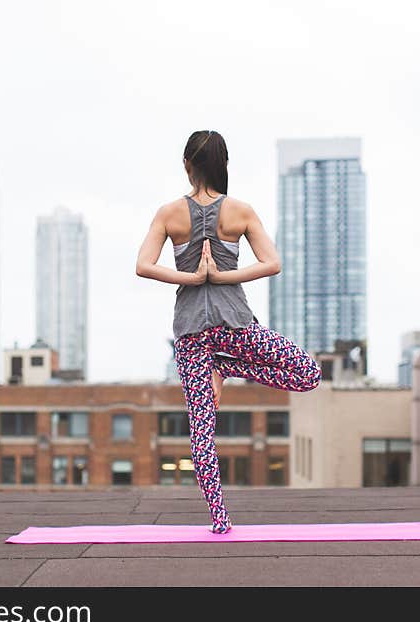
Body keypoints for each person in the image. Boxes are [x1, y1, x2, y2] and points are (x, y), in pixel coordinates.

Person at [135, 130, 322, 533]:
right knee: (308, 373)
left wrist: (197, 277)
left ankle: (220, 521)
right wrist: (223, 277)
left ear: (187, 164)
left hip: (192, 336)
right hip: (235, 326)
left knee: (201, 429)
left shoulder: (169, 213)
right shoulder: (240, 211)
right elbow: (272, 263)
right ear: (224, 166)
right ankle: (229, 367)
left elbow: (144, 265)